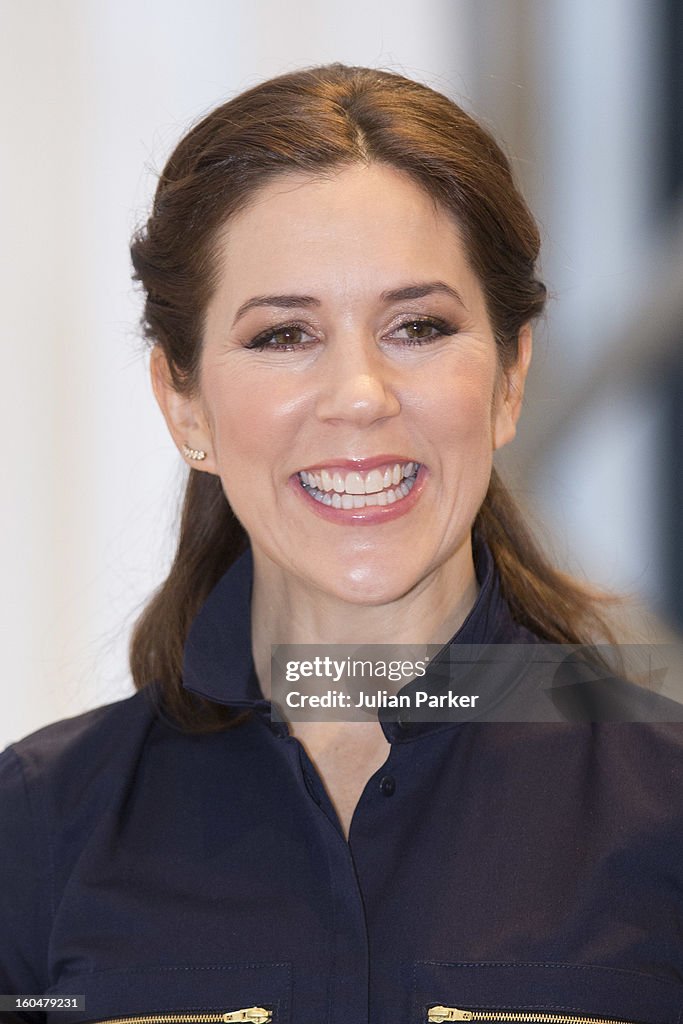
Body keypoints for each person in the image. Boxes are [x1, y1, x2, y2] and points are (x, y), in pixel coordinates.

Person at [1, 64, 681, 1024]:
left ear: (508, 380)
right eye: (283, 336)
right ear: (181, 400)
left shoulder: (666, 813)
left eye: (417, 326)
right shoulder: (35, 831)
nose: (360, 395)